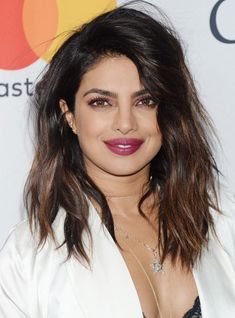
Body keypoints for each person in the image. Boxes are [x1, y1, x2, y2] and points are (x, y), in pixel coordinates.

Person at [0, 2, 235, 318]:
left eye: (145, 100)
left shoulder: (222, 220)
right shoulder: (30, 254)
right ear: (69, 115)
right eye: (101, 102)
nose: (125, 122)